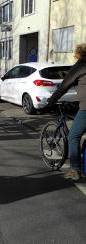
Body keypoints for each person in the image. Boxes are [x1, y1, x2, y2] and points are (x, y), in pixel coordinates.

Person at [47, 43, 86, 180]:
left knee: (73, 137)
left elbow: (63, 86)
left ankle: (75, 170)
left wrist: (51, 100)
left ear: (78, 54)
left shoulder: (81, 66)